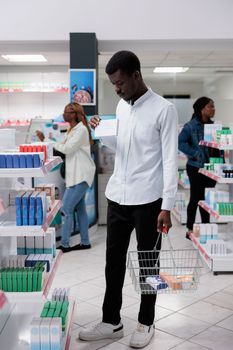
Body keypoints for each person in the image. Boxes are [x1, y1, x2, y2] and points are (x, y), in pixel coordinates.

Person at [79, 51, 178, 348]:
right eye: (113, 84)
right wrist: (102, 132)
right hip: (118, 196)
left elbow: (170, 161)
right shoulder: (122, 108)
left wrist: (167, 206)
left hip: (149, 200)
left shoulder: (164, 109)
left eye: (120, 82)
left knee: (148, 264)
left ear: (136, 75)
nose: (117, 89)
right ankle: (112, 321)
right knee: (113, 263)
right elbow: (121, 146)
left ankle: (146, 322)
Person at [54, 102, 96, 253]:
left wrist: (51, 143)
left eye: (66, 112)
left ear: (74, 114)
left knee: (66, 209)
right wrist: (56, 143)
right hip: (76, 176)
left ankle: (65, 244)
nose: (64, 114)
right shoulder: (72, 130)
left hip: (81, 175)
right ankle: (85, 242)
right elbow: (65, 145)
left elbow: (67, 148)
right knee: (81, 209)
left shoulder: (81, 130)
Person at [178, 97, 220, 239]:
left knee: (206, 199)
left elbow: (217, 147)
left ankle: (206, 227)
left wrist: (220, 163)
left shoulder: (214, 126)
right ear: (202, 109)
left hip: (211, 168)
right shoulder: (190, 126)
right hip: (195, 167)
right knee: (196, 197)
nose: (213, 109)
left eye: (213, 106)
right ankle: (190, 229)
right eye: (210, 106)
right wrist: (195, 153)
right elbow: (180, 142)